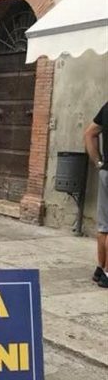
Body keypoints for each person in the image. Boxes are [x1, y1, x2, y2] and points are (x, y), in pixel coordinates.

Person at [83, 101, 108, 288]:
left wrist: (99, 163)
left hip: (106, 172)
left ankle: (100, 269)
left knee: (104, 225)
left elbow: (89, 133)